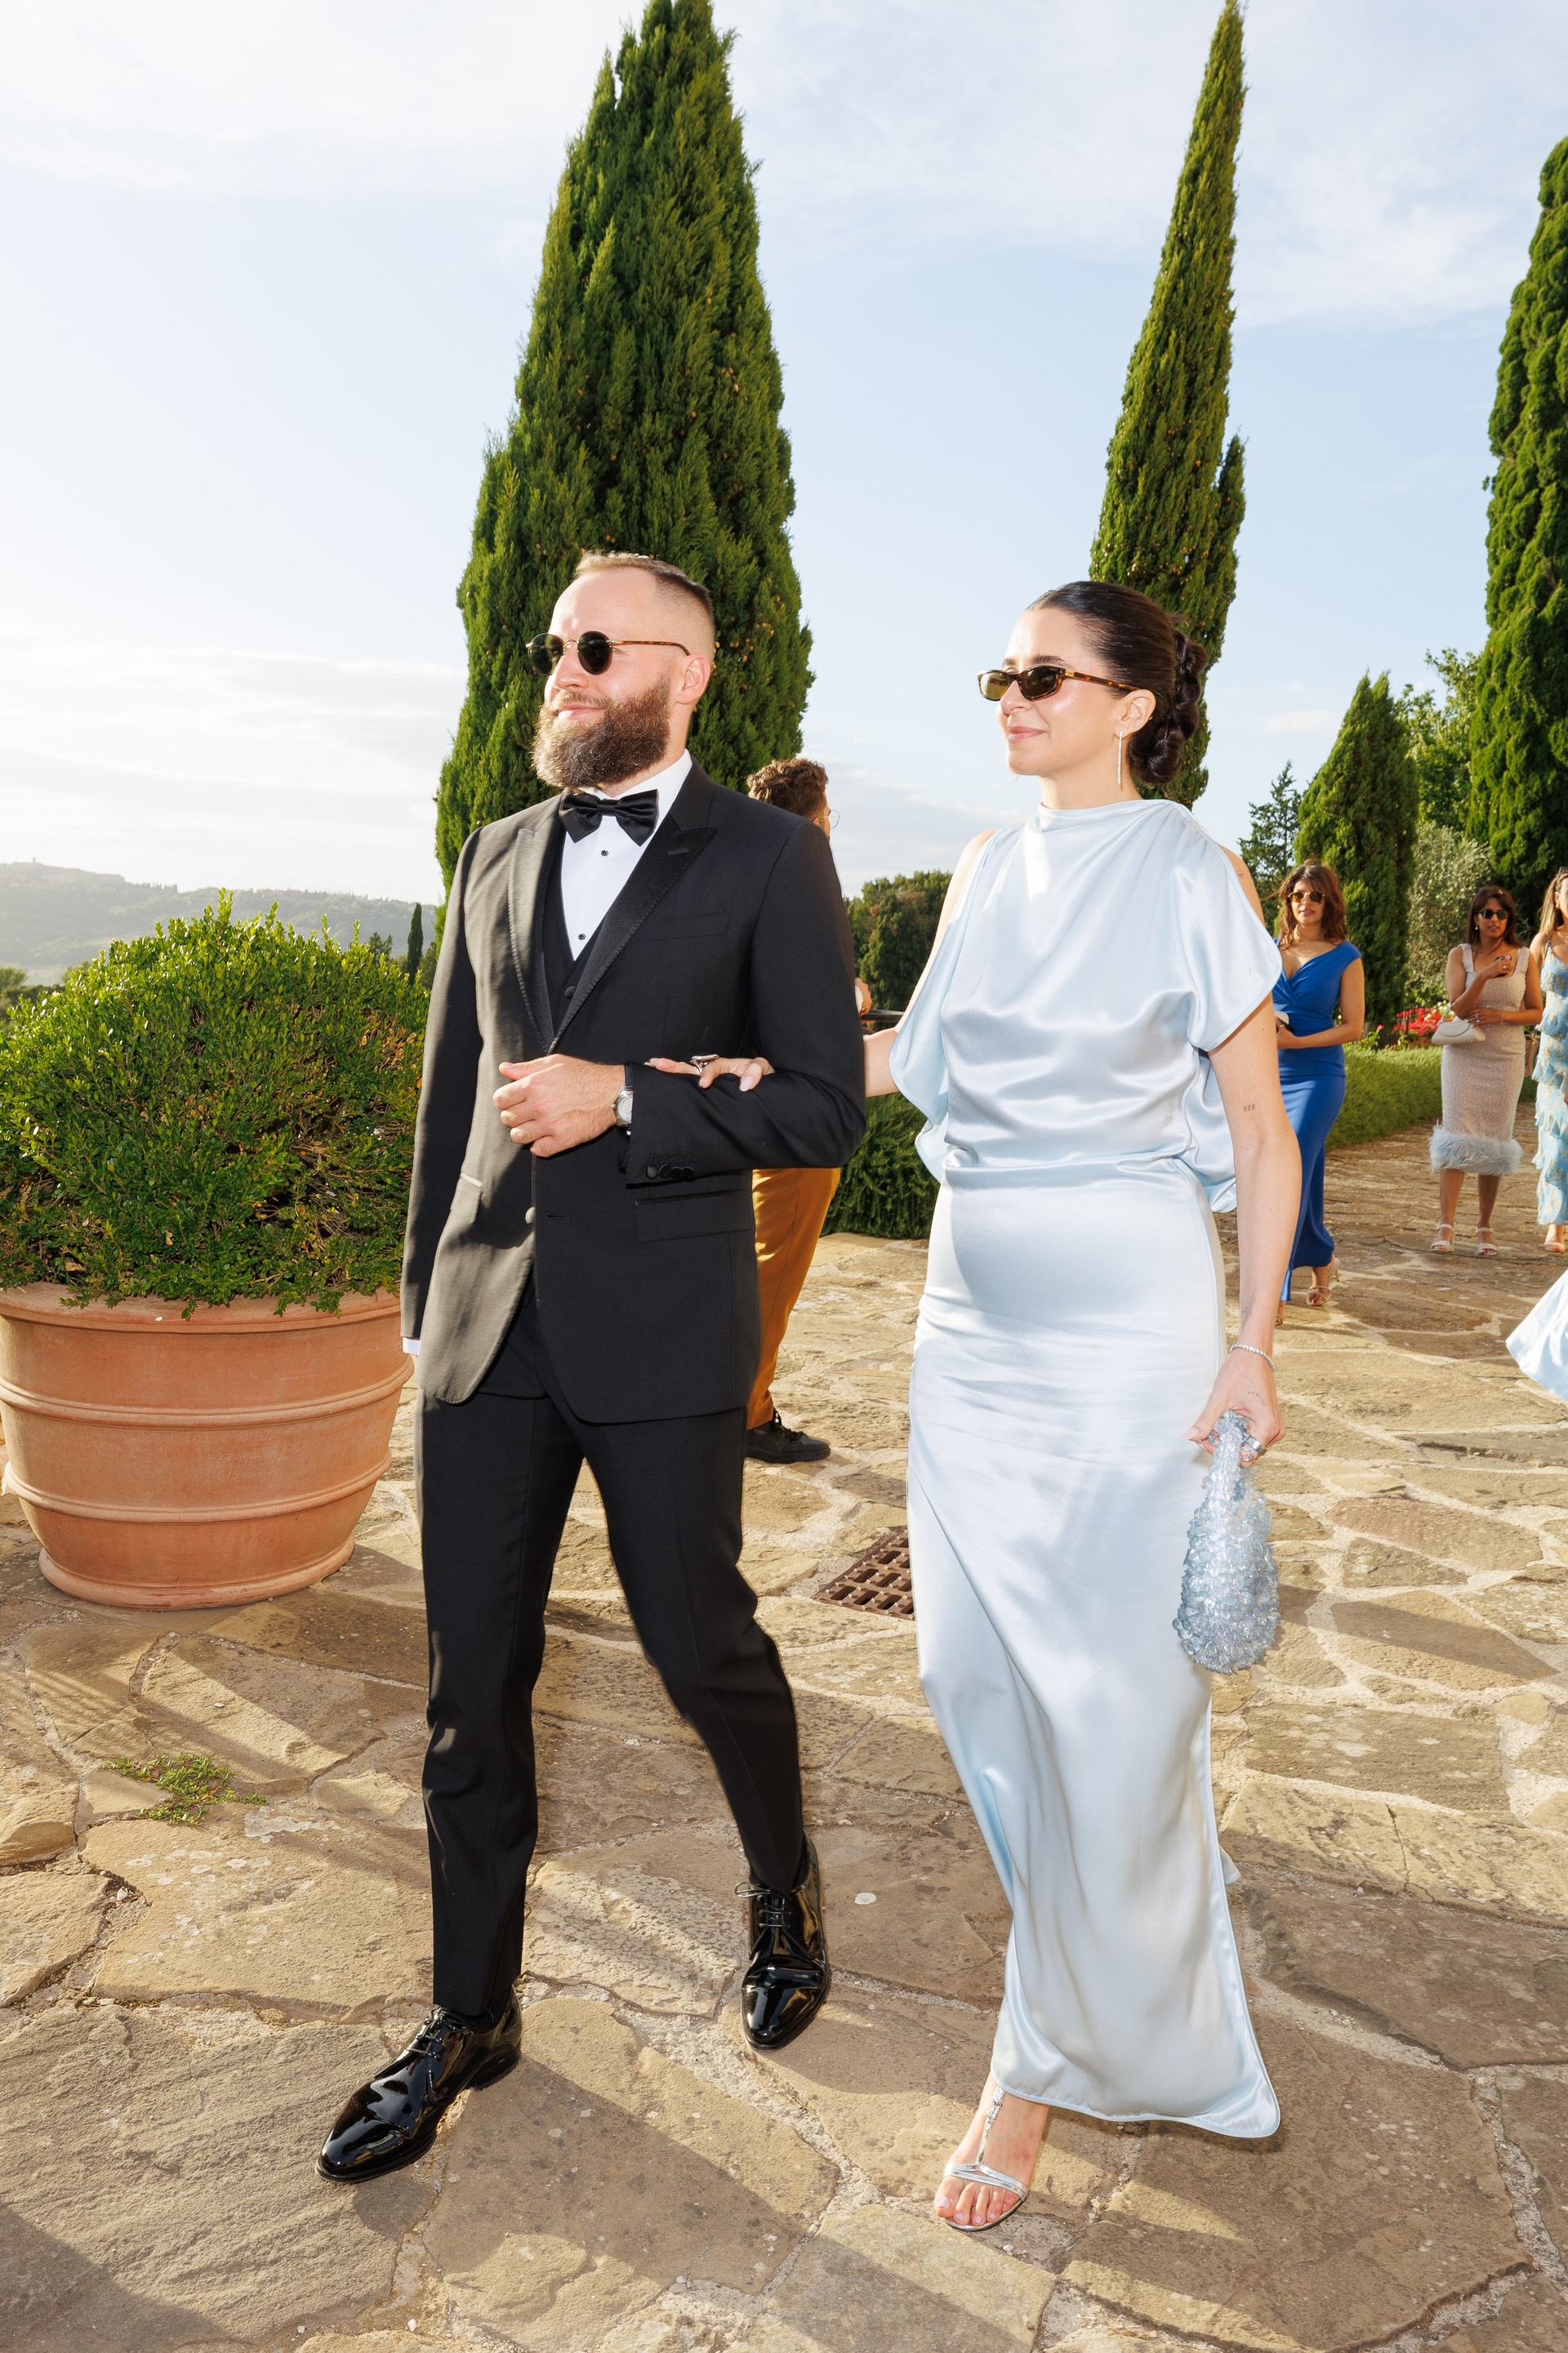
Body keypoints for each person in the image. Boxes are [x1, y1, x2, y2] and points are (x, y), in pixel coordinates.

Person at [702, 583, 1299, 2225]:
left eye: (1043, 674)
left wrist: (1253, 1343)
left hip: (1128, 1331)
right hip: (970, 1324)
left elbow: (1259, 1129)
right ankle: (1113, 1910)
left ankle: (1032, 2065)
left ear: (1133, 705)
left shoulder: (1188, 868)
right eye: (1000, 673)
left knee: (1108, 1701)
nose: (1011, 697)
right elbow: (915, 1054)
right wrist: (747, 1071)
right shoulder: (985, 863)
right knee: (968, 1673)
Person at [315, 551, 865, 2185]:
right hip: (489, 1327)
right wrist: (425, 1302)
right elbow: (452, 1094)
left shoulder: (767, 857)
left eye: (597, 645)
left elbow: (824, 1103)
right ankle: (468, 2012)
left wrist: (629, 1094)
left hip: (662, 1328)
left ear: (685, 673)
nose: (561, 666)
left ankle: (784, 1885)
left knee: (699, 1645)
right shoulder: (493, 851)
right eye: (554, 642)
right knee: (468, 1689)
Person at [742, 755, 871, 1464]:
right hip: (797, 1112)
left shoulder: (749, 871)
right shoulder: (803, 877)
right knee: (774, 1269)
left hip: (753, 1105)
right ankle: (747, 1412)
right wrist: (847, 995)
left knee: (752, 1264)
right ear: (815, 817)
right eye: (828, 814)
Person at [1272, 862, 1364, 1309]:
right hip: (1271, 1074)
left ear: (1329, 902)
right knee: (1299, 1173)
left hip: (1319, 1077)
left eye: (1315, 895)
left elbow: (1354, 1027)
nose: (1305, 903)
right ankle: (1321, 1256)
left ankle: (1273, 1290)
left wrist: (1298, 1041)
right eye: (1297, 895)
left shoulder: (1346, 955)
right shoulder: (1268, 949)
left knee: (1286, 1172)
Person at [1430, 885, 1539, 1257]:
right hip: (1464, 1056)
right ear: (1475, 918)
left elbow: (1536, 1011)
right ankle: (1446, 1224)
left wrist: (1502, 1016)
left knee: (1495, 1138)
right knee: (1456, 1135)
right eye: (1488, 913)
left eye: (1502, 914)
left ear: (1510, 919)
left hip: (1505, 1057)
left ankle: (1484, 1226)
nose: (1495, 920)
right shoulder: (1459, 955)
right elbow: (1458, 1009)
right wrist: (1484, 975)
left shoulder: (1524, 958)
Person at [1531, 870, 1568, 1252]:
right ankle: (1556, 1225)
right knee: (1556, 1140)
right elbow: (1524, 992)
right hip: (1554, 1059)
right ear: (1557, 898)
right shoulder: (1543, 942)